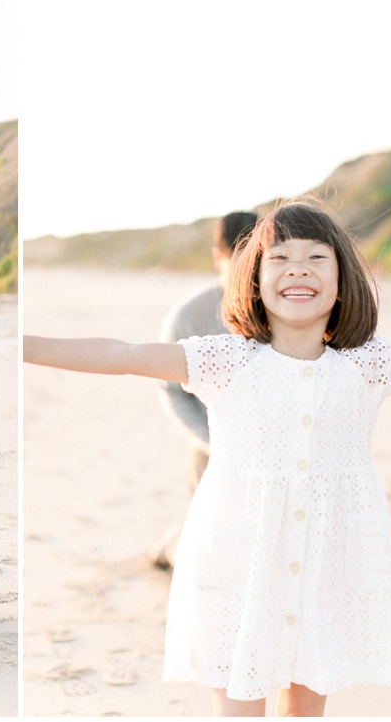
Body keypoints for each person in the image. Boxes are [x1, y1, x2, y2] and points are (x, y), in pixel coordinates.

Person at [23, 201, 391, 716]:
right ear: (252, 278)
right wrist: (22, 343)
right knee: (236, 708)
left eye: (316, 257)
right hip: (236, 561)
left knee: (304, 711)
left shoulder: (367, 365)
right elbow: (121, 355)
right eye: (279, 258)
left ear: (343, 279)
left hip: (327, 562)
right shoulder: (224, 359)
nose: (297, 269)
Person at [154, 210, 256, 568]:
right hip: (210, 448)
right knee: (211, 547)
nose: (249, 274)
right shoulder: (189, 316)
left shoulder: (281, 307)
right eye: (238, 262)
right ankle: (171, 547)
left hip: (269, 449)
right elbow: (171, 392)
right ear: (219, 257)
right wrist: (211, 442)